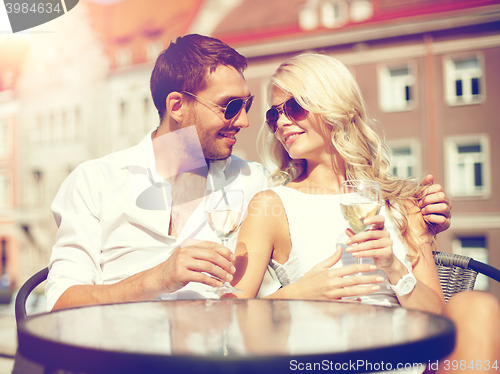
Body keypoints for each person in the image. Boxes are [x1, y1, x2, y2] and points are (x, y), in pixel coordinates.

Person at [45, 35, 451, 312]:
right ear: (177, 105)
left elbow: (324, 196)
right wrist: (158, 278)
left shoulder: (254, 182)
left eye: (250, 105)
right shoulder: (94, 181)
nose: (246, 121)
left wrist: (425, 212)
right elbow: (59, 300)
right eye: (229, 107)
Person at [226, 52, 499, 370]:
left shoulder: (401, 202)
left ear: (333, 105)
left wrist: (394, 268)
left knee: (477, 304)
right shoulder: (271, 205)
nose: (283, 122)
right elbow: (228, 314)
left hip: (406, 362)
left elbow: (436, 315)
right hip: (328, 363)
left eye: (294, 107)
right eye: (274, 116)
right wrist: (298, 293)